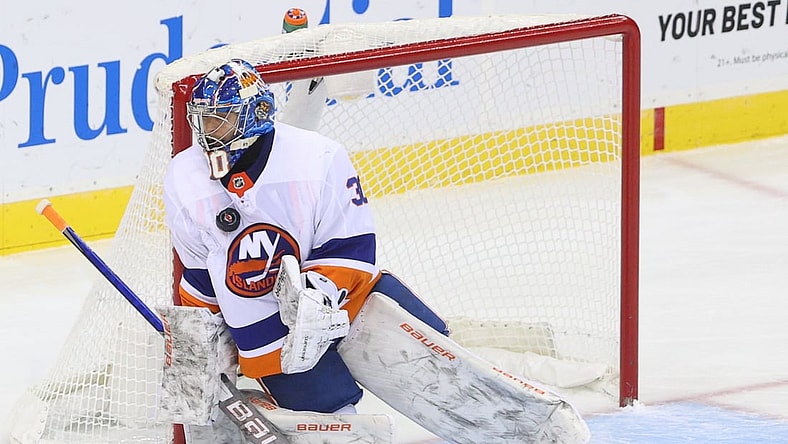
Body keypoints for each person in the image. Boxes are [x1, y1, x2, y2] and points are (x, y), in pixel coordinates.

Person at [162, 58, 449, 415]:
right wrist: (199, 344)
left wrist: (315, 297)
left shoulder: (317, 157)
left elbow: (352, 247)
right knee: (335, 419)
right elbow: (200, 275)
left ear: (256, 113)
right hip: (267, 329)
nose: (209, 133)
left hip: (346, 299)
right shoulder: (184, 178)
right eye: (204, 120)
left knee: (440, 366)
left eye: (222, 119)